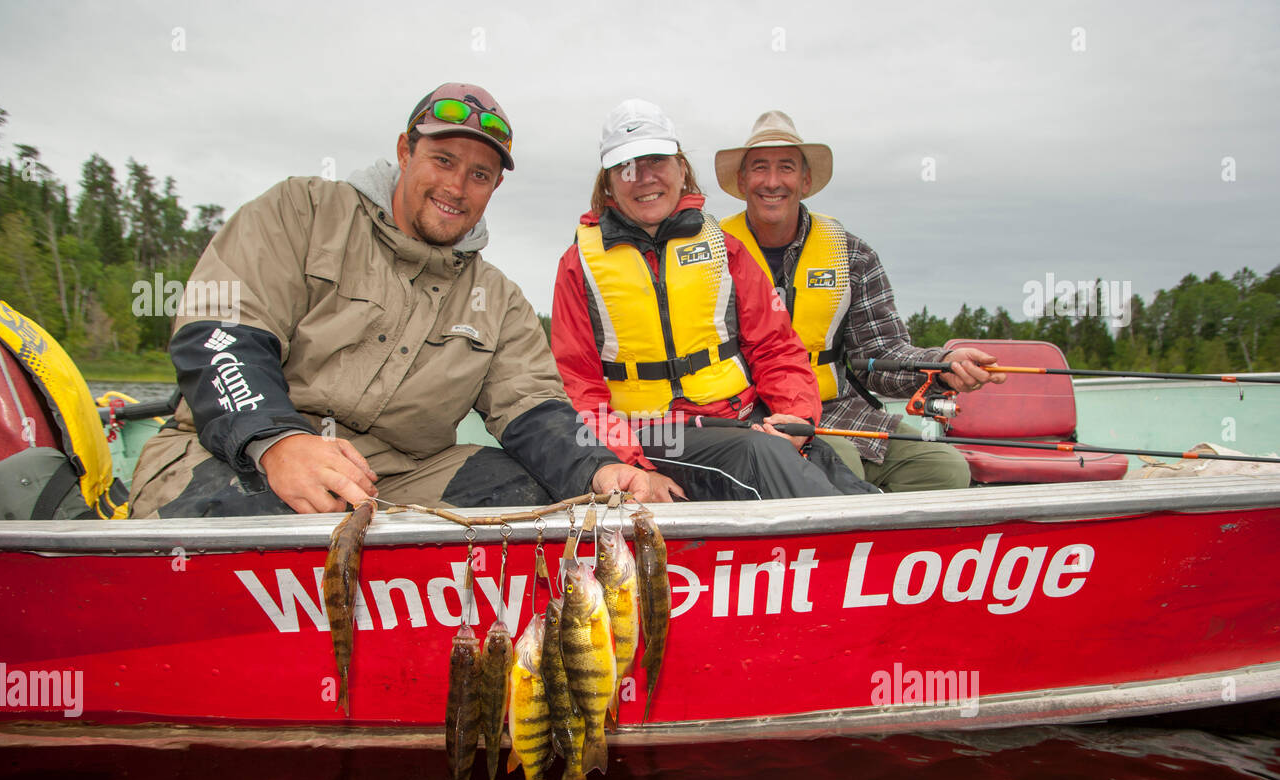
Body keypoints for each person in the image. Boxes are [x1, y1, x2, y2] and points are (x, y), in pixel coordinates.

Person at [129, 82, 653, 518]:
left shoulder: (499, 299)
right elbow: (222, 335)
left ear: (493, 188)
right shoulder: (301, 211)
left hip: (402, 475)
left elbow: (534, 410)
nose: (457, 186)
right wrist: (277, 443)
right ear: (405, 152)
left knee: (534, 504)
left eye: (479, 175)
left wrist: (598, 469)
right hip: (239, 451)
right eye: (443, 160)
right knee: (245, 520)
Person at [549, 99, 876, 501]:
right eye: (626, 167)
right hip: (651, 433)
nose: (644, 178)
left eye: (657, 161)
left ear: (681, 168)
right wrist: (631, 464)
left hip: (739, 419)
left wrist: (795, 416)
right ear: (609, 182)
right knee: (759, 456)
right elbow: (578, 386)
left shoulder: (724, 247)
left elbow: (776, 347)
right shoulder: (578, 264)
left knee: (843, 482)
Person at [715, 110, 1006, 492]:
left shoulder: (851, 254)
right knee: (842, 462)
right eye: (759, 168)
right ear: (741, 180)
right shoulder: (711, 255)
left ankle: (891, 551)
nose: (772, 182)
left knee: (945, 469)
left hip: (838, 409)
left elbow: (881, 355)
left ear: (805, 180)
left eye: (786, 168)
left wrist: (942, 365)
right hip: (747, 414)